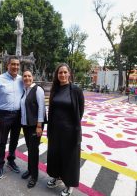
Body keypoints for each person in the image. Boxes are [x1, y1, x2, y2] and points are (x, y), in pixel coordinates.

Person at [46, 63, 85, 196]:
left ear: (69, 74)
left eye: (64, 72)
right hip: (55, 131)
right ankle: (56, 177)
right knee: (56, 156)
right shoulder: (55, 90)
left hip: (70, 132)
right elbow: (51, 110)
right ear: (57, 75)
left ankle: (69, 184)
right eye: (60, 73)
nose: (62, 75)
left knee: (70, 159)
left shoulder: (76, 90)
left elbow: (80, 112)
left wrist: (73, 128)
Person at [0, 56, 23, 179]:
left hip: (18, 115)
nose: (15, 67)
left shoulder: (22, 79)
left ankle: (11, 160)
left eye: (17, 65)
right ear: (7, 65)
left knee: (15, 140)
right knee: (2, 141)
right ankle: (0, 165)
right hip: (4, 115)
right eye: (13, 64)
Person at [20, 70, 45, 188]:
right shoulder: (25, 90)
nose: (26, 78)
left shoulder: (37, 89)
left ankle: (34, 176)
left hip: (35, 126)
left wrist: (39, 125)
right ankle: (30, 170)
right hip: (26, 125)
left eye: (29, 76)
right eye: (24, 76)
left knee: (34, 151)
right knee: (30, 149)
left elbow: (41, 108)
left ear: (33, 77)